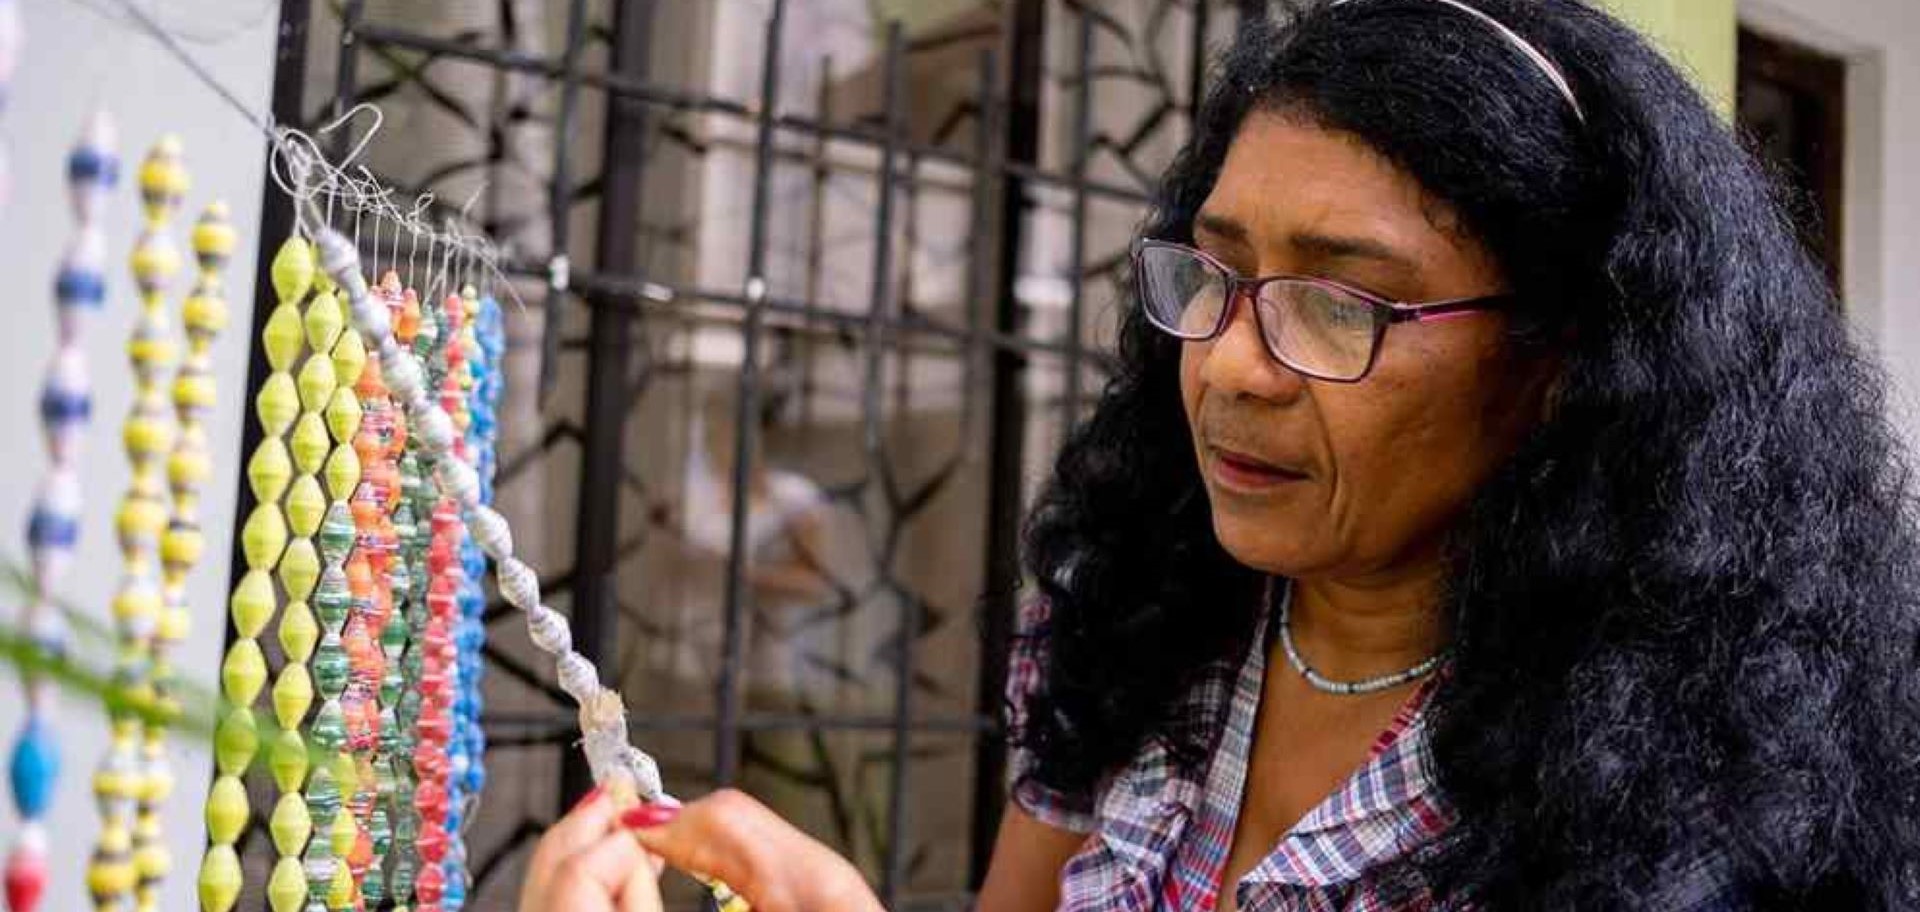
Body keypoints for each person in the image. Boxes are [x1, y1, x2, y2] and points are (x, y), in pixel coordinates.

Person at [526, 0, 1920, 908]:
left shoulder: (1686, 782)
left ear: (1560, 360)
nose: (1235, 364)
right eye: (1217, 273)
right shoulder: (1133, 620)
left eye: (1341, 303)